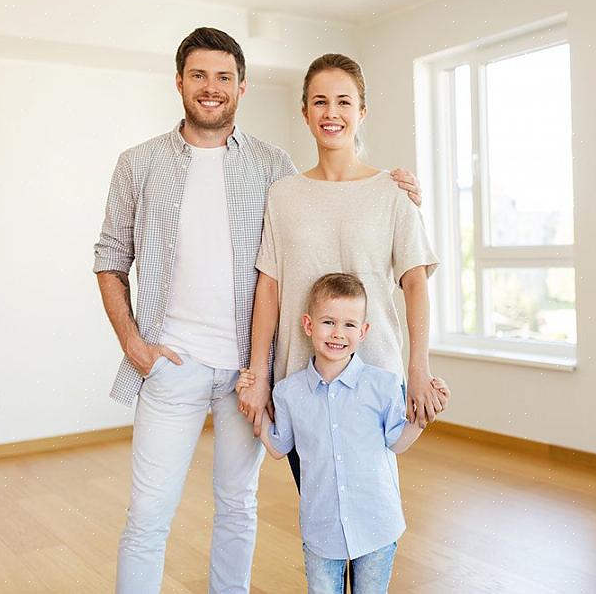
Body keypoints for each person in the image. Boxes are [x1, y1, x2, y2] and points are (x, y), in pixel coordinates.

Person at [93, 29, 424, 593]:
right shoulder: (138, 163)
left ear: (242, 87)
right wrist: (133, 344)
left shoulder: (273, 167)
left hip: (249, 375)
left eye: (224, 77)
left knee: (238, 509)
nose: (211, 88)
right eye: (198, 75)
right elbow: (108, 258)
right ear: (179, 82)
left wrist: (400, 186)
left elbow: (334, 195)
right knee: (147, 518)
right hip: (171, 367)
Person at [237, 55, 447, 480]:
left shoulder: (392, 192)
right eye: (320, 102)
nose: (331, 113)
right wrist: (259, 373)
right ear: (305, 113)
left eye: (344, 102)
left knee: (369, 519)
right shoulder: (283, 196)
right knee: (321, 526)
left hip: (374, 380)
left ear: (362, 112)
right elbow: (270, 290)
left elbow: (415, 283)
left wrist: (418, 366)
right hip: (300, 383)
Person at [237, 273, 449, 593]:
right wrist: (249, 401)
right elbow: (279, 447)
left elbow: (397, 442)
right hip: (321, 532)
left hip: (377, 526)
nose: (338, 333)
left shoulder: (383, 385)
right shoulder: (288, 393)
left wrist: (422, 418)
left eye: (350, 325)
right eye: (328, 322)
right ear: (308, 325)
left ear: (363, 332)